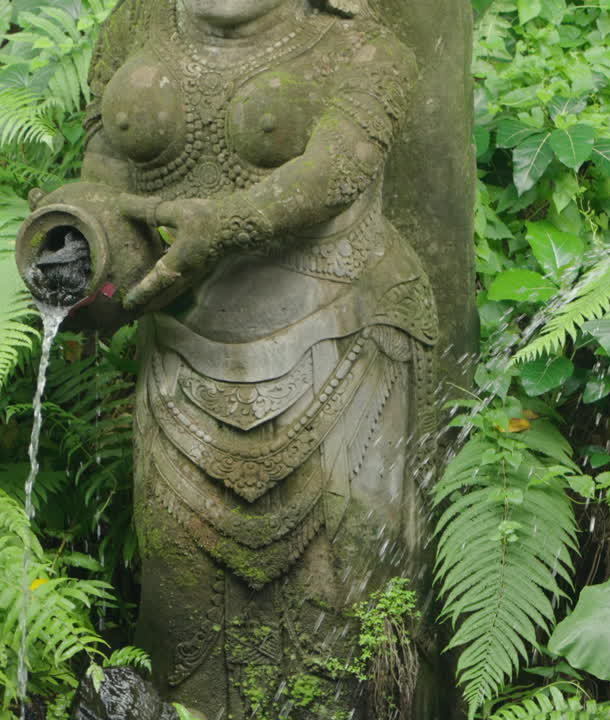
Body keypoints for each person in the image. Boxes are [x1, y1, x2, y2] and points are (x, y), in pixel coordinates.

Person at [53, 0, 440, 714]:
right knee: (180, 617)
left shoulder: (359, 44)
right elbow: (102, 166)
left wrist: (226, 223)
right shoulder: (134, 24)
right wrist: (87, 245)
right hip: (180, 356)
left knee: (347, 608)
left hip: (341, 344)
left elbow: (336, 170)